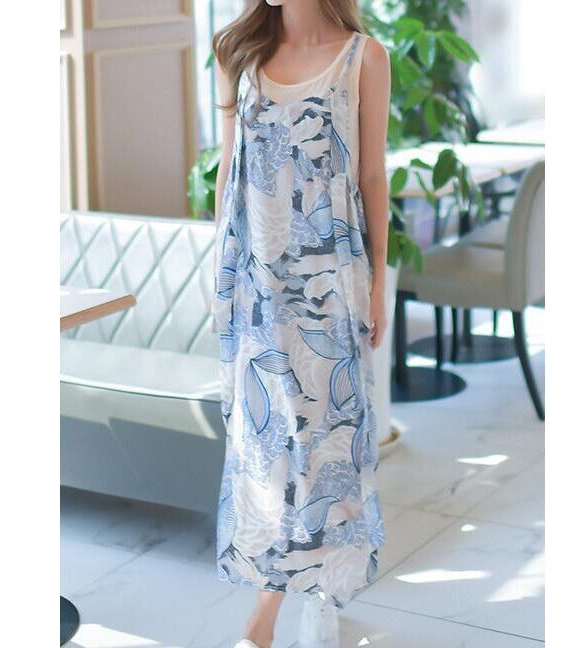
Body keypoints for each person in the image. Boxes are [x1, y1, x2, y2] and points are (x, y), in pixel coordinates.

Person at [211, 1, 391, 646]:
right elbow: (229, 168)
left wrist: (377, 283)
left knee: (327, 444)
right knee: (265, 450)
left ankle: (302, 600)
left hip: (331, 285)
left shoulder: (363, 58)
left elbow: (371, 175)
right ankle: (287, 604)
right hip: (255, 286)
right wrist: (220, 273)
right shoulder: (239, 54)